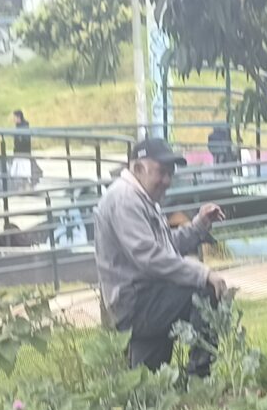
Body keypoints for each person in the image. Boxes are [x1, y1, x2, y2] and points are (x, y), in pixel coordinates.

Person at [94, 136, 228, 376]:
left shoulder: (141, 198)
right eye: (161, 172)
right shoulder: (124, 200)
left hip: (146, 297)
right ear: (138, 168)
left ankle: (178, 386)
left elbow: (163, 247)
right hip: (137, 302)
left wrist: (198, 226)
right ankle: (200, 378)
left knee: (150, 383)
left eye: (170, 173)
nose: (167, 181)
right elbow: (150, 257)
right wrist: (203, 273)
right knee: (206, 291)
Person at [11, 108, 37, 190]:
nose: (13, 119)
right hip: (19, 152)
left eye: (14, 117)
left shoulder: (24, 128)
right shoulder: (19, 127)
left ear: (19, 117)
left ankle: (26, 187)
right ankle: (22, 187)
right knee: (18, 171)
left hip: (23, 153)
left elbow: (26, 141)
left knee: (23, 171)